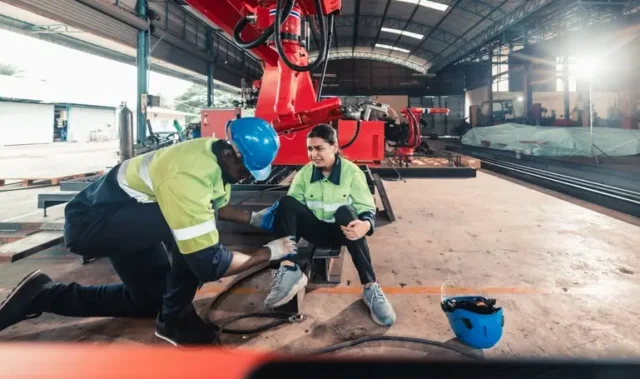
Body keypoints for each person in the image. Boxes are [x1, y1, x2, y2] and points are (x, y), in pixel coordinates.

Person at [0, 117, 298, 346]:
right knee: (196, 239)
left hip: (127, 219)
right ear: (232, 155)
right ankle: (175, 321)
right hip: (93, 224)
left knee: (150, 301)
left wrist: (256, 219)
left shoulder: (214, 155)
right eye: (247, 170)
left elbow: (218, 205)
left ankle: (43, 296)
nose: (247, 176)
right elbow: (209, 263)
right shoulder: (188, 175)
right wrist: (271, 252)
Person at [252, 124, 396, 326]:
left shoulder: (351, 173)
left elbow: (366, 206)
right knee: (286, 203)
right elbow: (291, 209)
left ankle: (370, 287)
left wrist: (365, 224)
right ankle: (289, 269)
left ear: (334, 147)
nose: (313, 154)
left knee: (346, 212)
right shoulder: (304, 174)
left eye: (319, 148)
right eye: (310, 149)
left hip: (343, 232)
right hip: (314, 230)